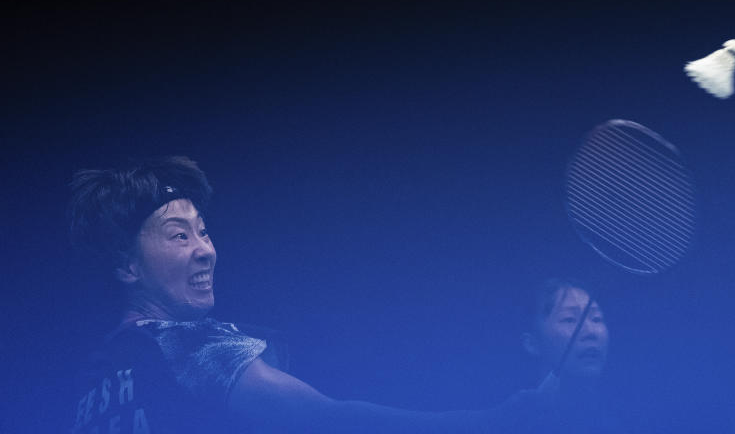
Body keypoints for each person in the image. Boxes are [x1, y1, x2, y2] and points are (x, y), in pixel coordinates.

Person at [64, 155, 539, 433]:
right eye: (179, 236)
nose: (206, 251)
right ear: (127, 266)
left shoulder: (90, 381)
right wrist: (500, 418)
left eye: (203, 232)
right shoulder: (189, 346)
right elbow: (332, 420)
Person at [499, 277, 626, 433]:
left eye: (596, 319)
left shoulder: (627, 419)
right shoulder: (502, 421)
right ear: (532, 343)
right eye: (569, 319)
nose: (591, 332)